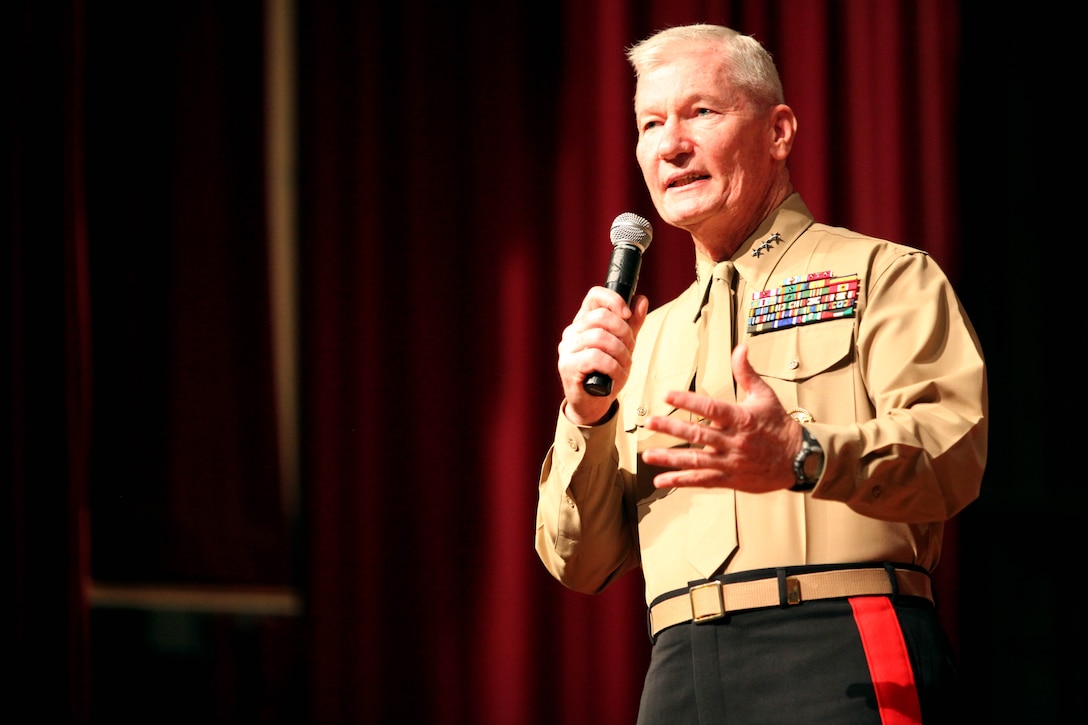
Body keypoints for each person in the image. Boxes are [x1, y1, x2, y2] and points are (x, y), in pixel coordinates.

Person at [534, 23, 987, 725]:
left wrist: (804, 455)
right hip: (679, 668)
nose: (671, 144)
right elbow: (581, 563)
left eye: (700, 112)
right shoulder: (643, 340)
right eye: (650, 124)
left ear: (778, 132)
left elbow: (951, 454)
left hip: (839, 643)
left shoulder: (884, 274)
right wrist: (585, 418)